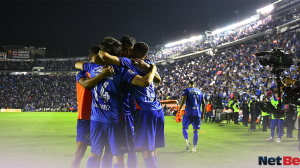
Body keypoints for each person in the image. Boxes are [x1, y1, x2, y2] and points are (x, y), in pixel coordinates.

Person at [76, 37, 158, 168]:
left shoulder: (91, 67)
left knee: (95, 154)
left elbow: (78, 65)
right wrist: (152, 68)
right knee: (121, 156)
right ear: (119, 53)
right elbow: (145, 82)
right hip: (116, 120)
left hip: (96, 120)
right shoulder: (122, 71)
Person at [99, 42, 164, 168]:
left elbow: (104, 56)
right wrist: (152, 67)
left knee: (145, 150)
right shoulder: (148, 63)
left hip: (142, 109)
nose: (129, 52)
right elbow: (158, 79)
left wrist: (100, 50)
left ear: (133, 52)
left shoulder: (128, 62)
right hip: (157, 108)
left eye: (130, 50)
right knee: (152, 148)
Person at [71, 45, 114, 168]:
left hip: (101, 117)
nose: (102, 60)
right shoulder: (82, 72)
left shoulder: (107, 70)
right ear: (91, 57)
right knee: (79, 153)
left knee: (97, 154)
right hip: (85, 117)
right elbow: (85, 84)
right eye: (98, 57)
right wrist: (102, 75)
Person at [178, 81, 205, 153]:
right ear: (194, 85)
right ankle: (194, 148)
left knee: (184, 128)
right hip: (197, 114)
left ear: (188, 85)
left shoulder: (187, 90)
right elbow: (204, 103)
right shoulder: (200, 92)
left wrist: (179, 109)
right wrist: (203, 114)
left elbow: (183, 100)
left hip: (188, 113)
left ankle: (187, 142)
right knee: (195, 131)